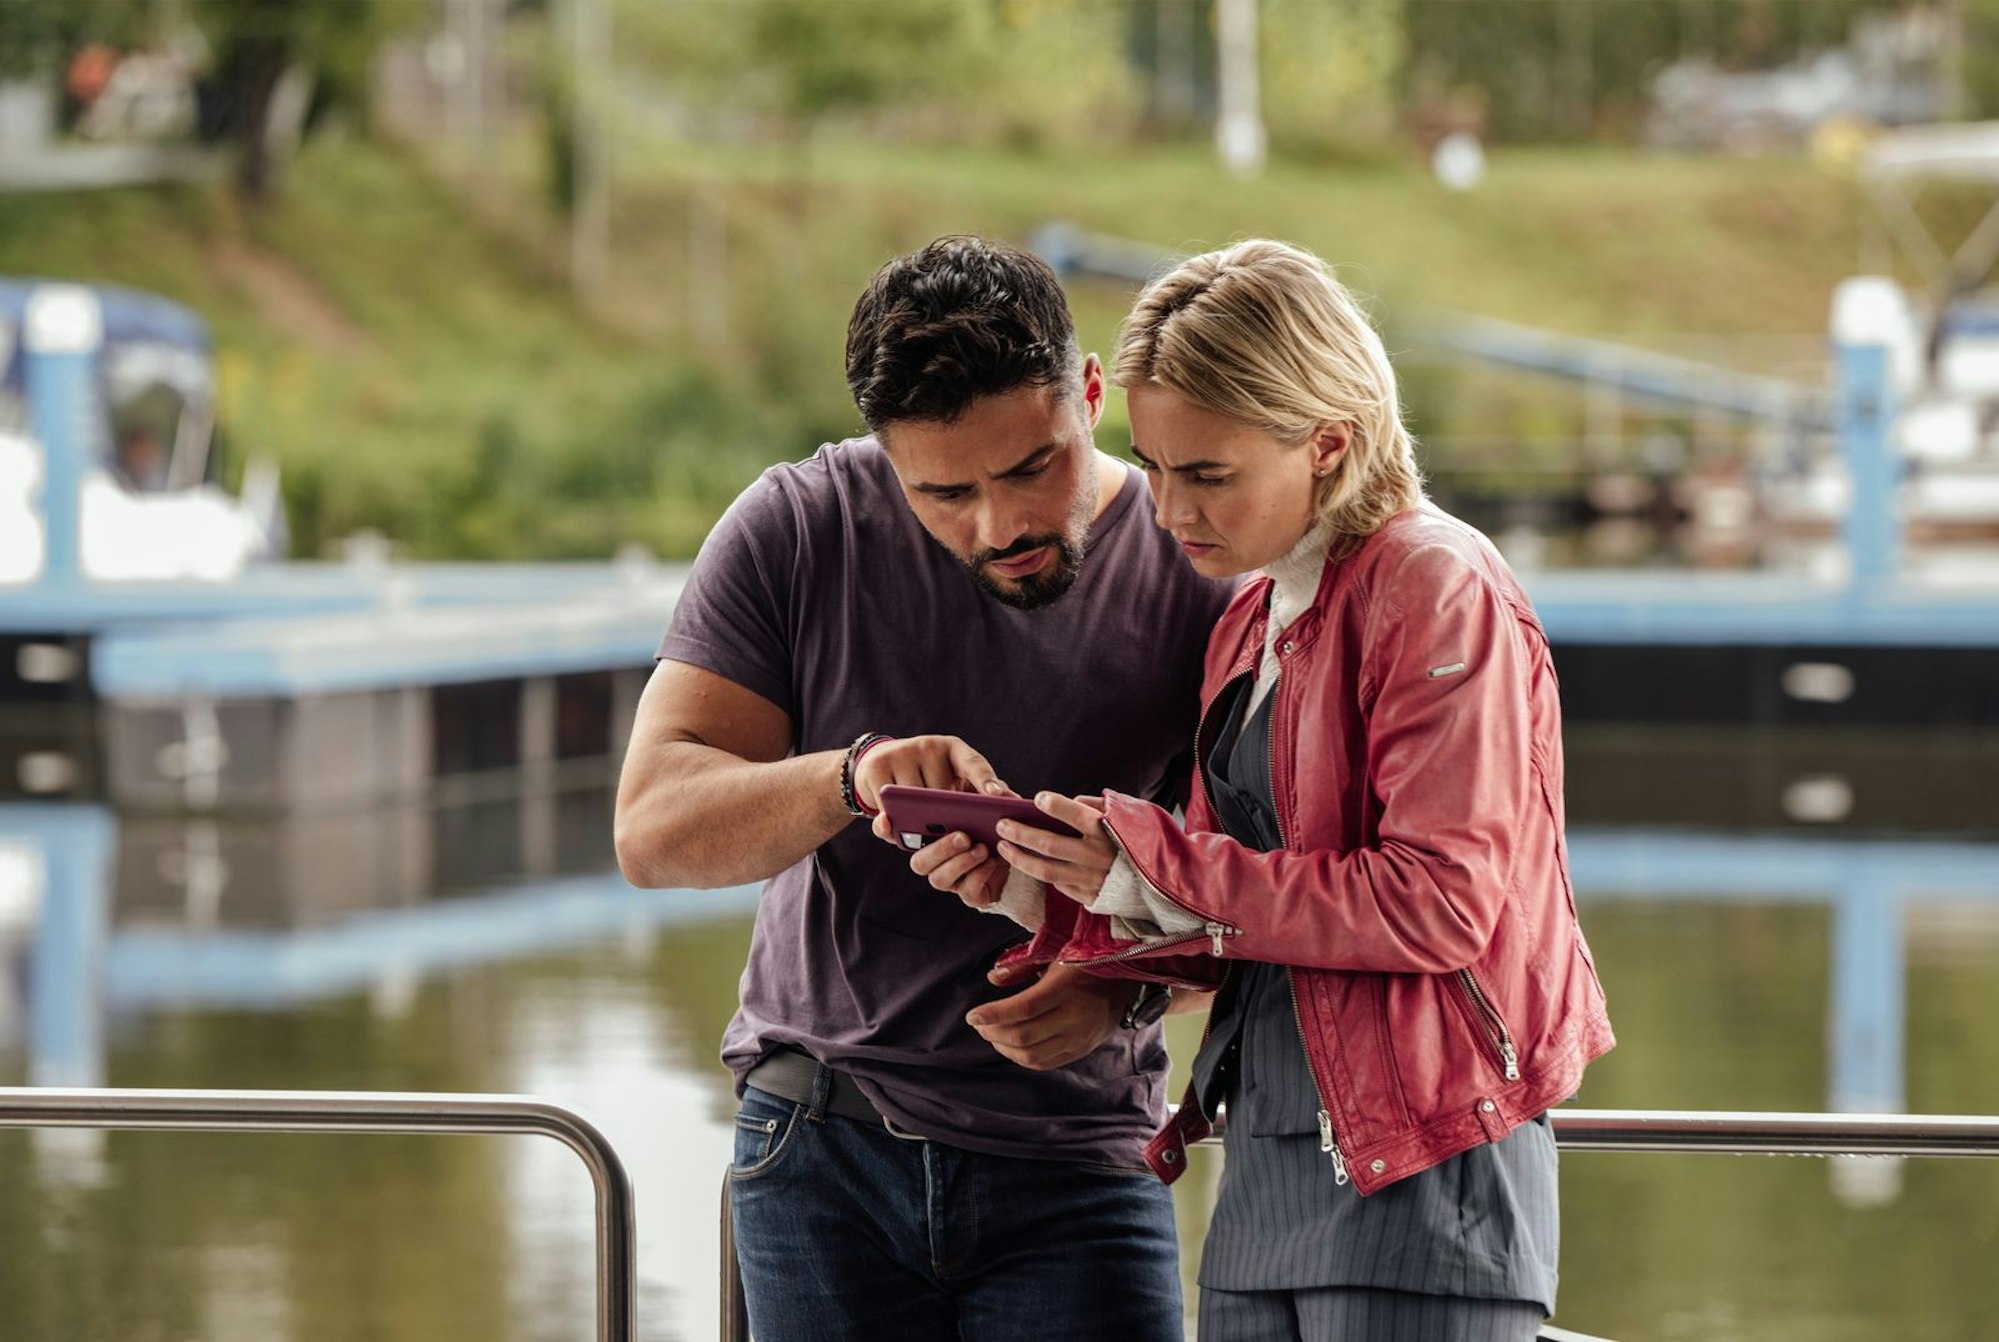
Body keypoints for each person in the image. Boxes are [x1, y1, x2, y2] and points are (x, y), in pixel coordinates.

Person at [933, 239, 1616, 1341]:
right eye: (1152, 467)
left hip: (1430, 1168)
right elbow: (1234, 912)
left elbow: (1439, 903)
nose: (1165, 511)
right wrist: (1047, 891)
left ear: (1329, 443)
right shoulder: (1251, 620)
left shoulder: (1436, 584)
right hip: (1262, 1165)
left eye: (1206, 474)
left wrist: (1150, 861)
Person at [614, 235, 1234, 1342]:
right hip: (821, 1151)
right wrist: (848, 779)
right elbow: (651, 831)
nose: (1000, 527)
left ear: (1088, 395)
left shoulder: (1198, 565)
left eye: (1032, 467)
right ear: (881, 453)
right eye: (944, 491)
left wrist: (1119, 994)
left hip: (1083, 1161)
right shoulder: (797, 526)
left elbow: (1266, 902)